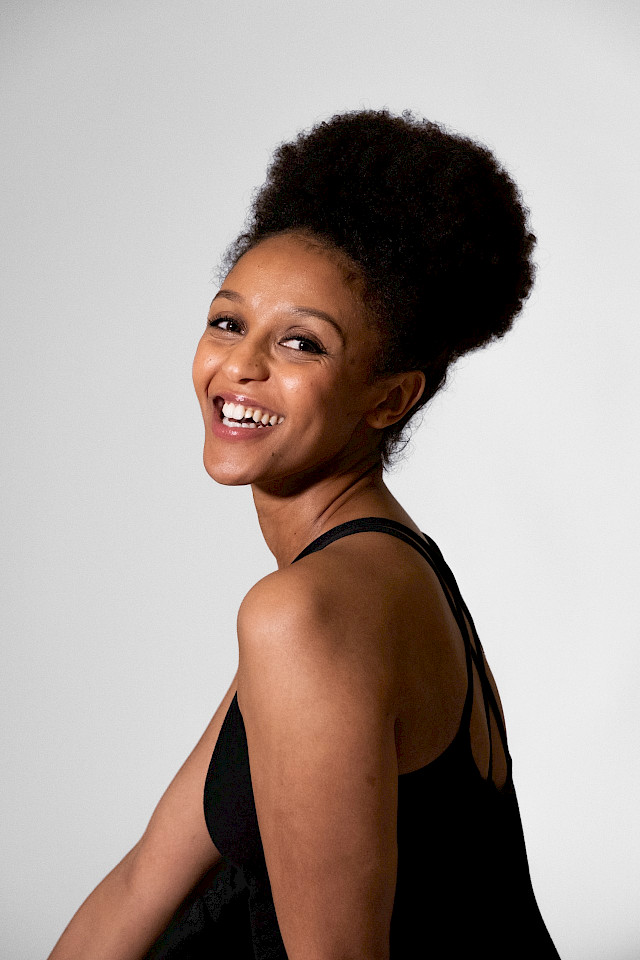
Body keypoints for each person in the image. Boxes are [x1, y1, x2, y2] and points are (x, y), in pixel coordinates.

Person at [48, 108, 560, 960]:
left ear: (388, 398)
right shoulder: (359, 583)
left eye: (300, 343)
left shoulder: (310, 612)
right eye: (227, 322)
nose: (240, 366)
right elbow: (143, 884)